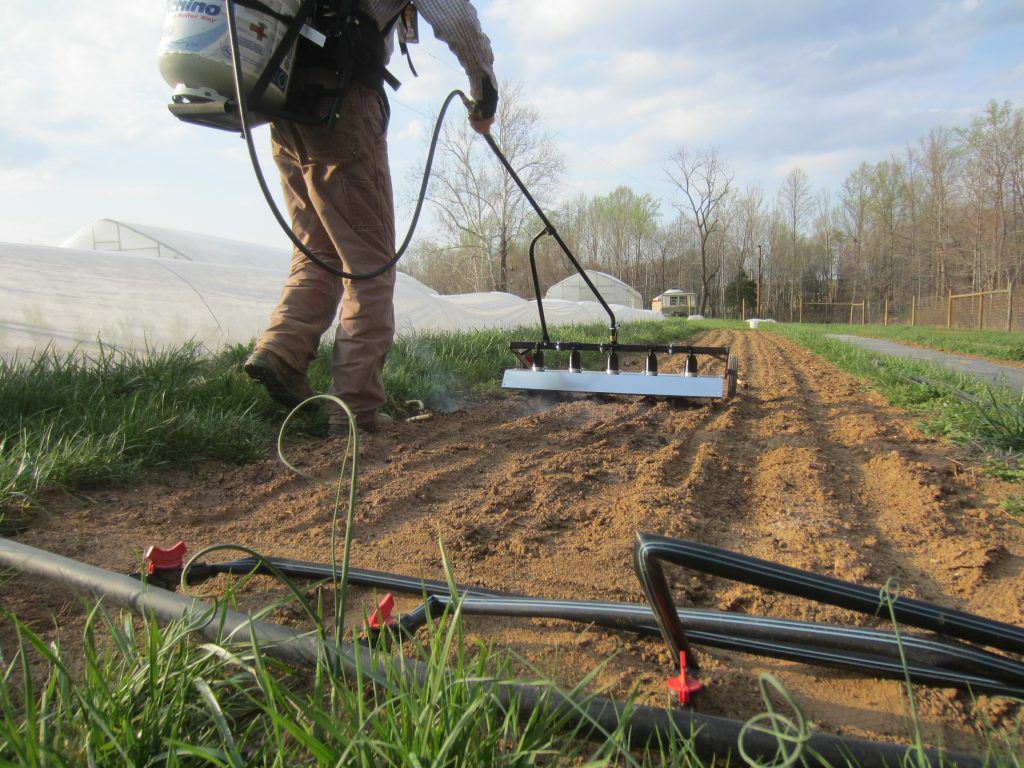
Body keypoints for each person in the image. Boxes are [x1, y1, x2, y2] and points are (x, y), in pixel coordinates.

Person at [244, 0, 497, 433]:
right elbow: (455, 14)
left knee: (316, 253)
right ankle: (355, 411)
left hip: (284, 104)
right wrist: (483, 84)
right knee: (370, 265)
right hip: (341, 104)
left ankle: (282, 352)